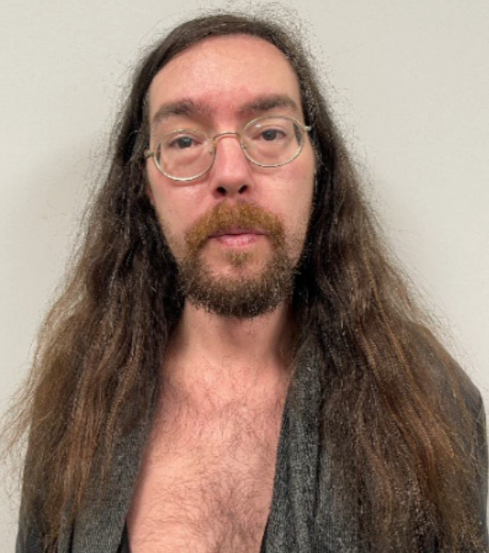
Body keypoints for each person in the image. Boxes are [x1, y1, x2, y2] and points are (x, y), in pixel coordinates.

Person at [10, 11, 487, 553]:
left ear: (317, 166)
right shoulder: (80, 402)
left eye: (269, 133)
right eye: (184, 140)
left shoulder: (429, 404)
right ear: (144, 183)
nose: (231, 173)